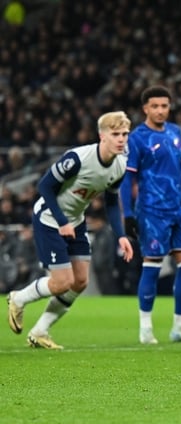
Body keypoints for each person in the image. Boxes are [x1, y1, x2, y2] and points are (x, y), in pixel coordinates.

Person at [6, 111, 135, 349]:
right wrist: (62, 221)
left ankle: (40, 331)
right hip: (49, 219)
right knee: (61, 283)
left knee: (81, 281)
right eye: (115, 134)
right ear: (101, 136)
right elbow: (44, 186)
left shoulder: (120, 165)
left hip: (75, 221)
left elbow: (110, 202)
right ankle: (18, 298)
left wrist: (121, 236)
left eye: (124, 134)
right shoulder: (78, 159)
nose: (121, 139)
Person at [120, 85, 181, 345]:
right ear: (145, 108)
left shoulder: (175, 132)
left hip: (177, 210)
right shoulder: (137, 138)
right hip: (151, 211)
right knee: (153, 265)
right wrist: (128, 214)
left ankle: (180, 326)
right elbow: (128, 179)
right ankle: (145, 328)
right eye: (155, 106)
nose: (160, 110)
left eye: (164, 106)